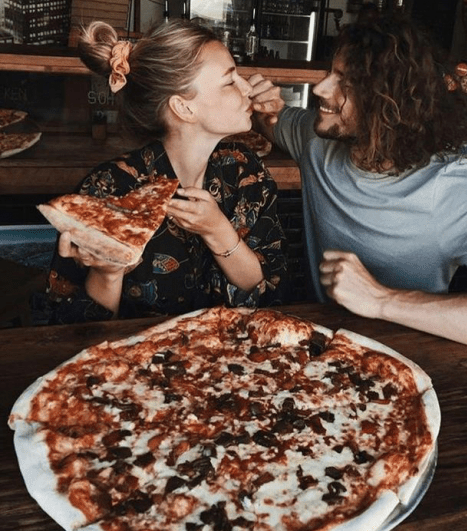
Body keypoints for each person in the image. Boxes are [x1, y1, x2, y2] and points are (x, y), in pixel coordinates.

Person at [254, 14, 467, 352]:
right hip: (320, 351)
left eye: (345, 81)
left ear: (390, 104)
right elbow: (270, 120)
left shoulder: (450, 188)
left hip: (414, 361)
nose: (320, 88)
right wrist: (264, 105)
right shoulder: (315, 139)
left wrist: (380, 300)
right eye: (331, 72)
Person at [46, 19, 288, 323]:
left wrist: (218, 232)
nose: (247, 86)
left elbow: (271, 295)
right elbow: (75, 328)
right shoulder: (108, 189)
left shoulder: (245, 172)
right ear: (183, 108)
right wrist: (108, 272)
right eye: (230, 81)